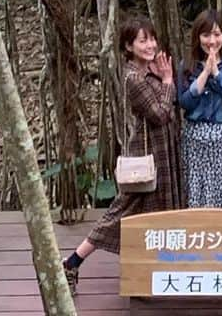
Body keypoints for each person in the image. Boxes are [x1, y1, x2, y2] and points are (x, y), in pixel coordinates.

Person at [62, 15, 180, 293]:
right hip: (147, 158)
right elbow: (161, 114)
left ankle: (157, 272)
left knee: (158, 214)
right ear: (128, 46)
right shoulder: (133, 78)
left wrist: (164, 80)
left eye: (152, 38)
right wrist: (168, 80)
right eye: (142, 40)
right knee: (121, 211)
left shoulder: (148, 71)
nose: (150, 45)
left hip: (164, 154)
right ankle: (71, 261)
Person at [177, 9, 222, 208]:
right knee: (196, 189)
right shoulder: (187, 65)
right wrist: (204, 73)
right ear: (198, 37)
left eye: (217, 34)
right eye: (206, 35)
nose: (212, 41)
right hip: (194, 138)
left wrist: (217, 74)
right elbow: (184, 103)